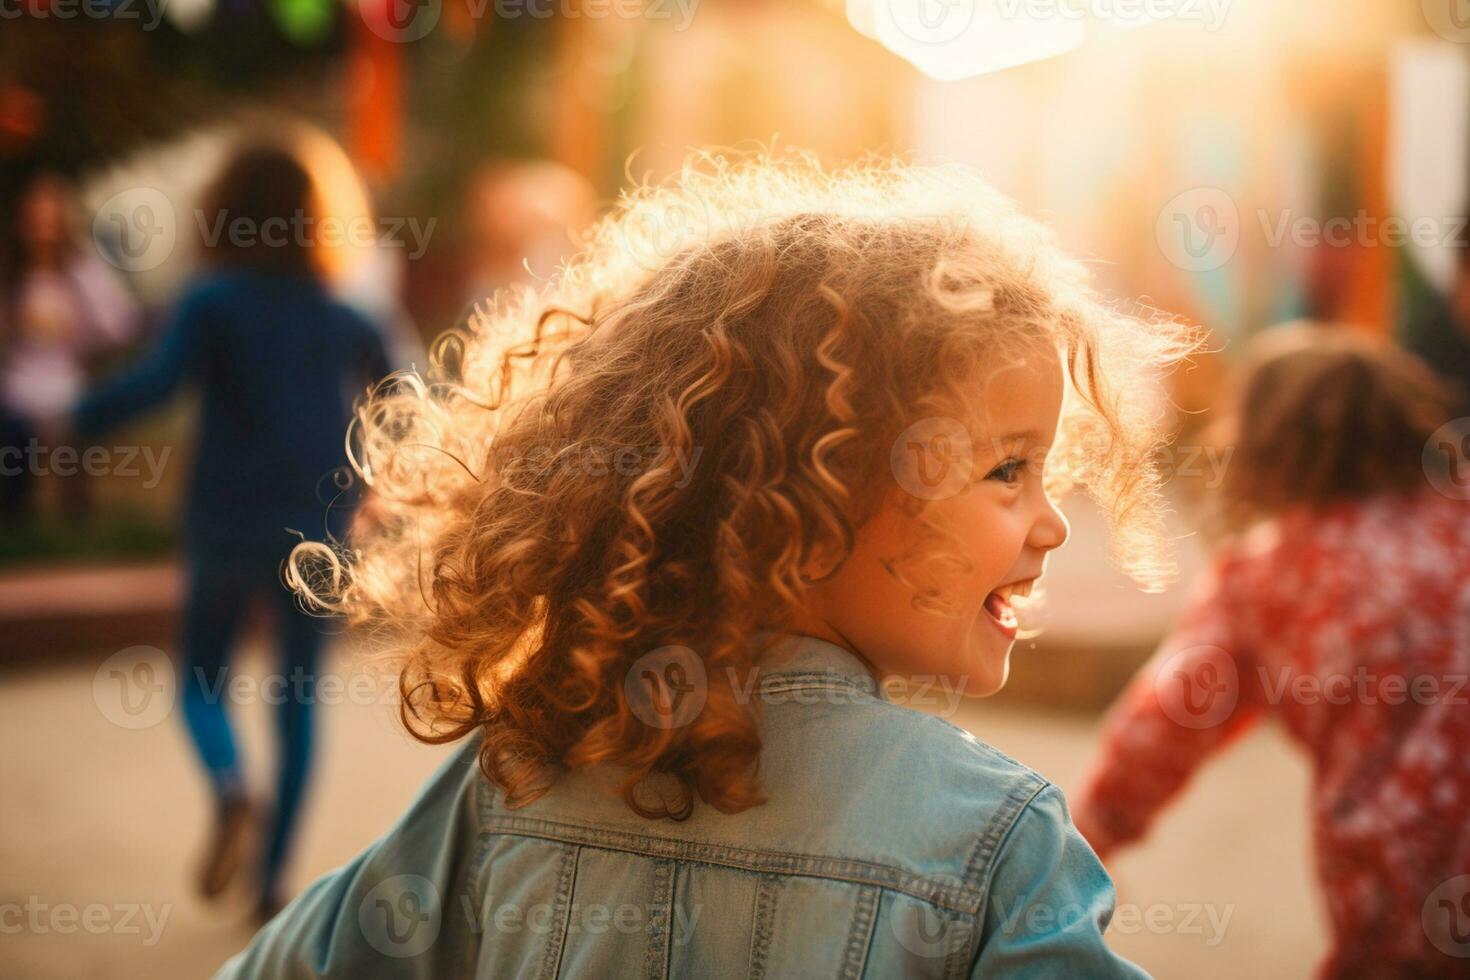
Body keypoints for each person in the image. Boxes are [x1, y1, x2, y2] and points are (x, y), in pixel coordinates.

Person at [218, 153, 1196, 977]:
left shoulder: (513, 780)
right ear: (816, 497)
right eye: (1009, 470)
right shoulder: (1000, 847)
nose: (1052, 525)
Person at [1072, 323, 1470, 978]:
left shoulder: (1271, 575)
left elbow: (1163, 725)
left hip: (1407, 904)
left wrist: (1079, 846)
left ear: (1263, 444)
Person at [70, 137, 392, 922]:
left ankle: (227, 781)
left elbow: (158, 381)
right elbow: (397, 399)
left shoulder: (212, 301)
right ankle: (273, 881)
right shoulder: (345, 312)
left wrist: (75, 417)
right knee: (298, 699)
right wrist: (386, 482)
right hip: (318, 524)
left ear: (226, 213)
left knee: (200, 678)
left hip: (225, 518)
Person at [0, 171, 139, 521]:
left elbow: (121, 325)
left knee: (75, 432)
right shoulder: (10, 272)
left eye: (51, 220)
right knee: (13, 433)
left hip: (68, 389)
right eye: (36, 220)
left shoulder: (82, 270)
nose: (43, 230)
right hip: (15, 392)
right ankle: (17, 520)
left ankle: (75, 525)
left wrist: (82, 327)